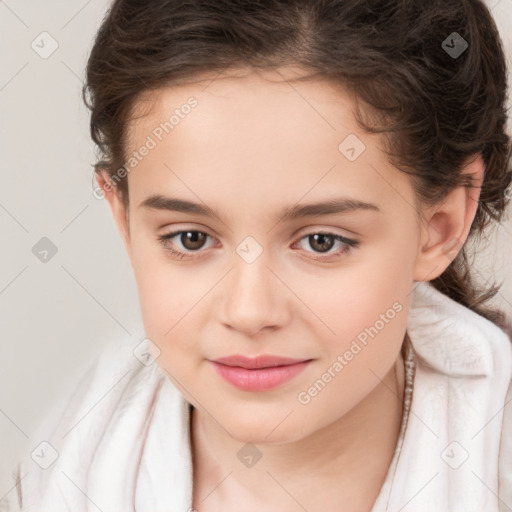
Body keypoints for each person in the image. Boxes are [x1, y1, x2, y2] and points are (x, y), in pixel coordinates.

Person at [6, 0, 512, 510]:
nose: (249, 312)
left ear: (439, 228)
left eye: (322, 241)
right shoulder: (65, 472)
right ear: (125, 218)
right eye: (191, 239)